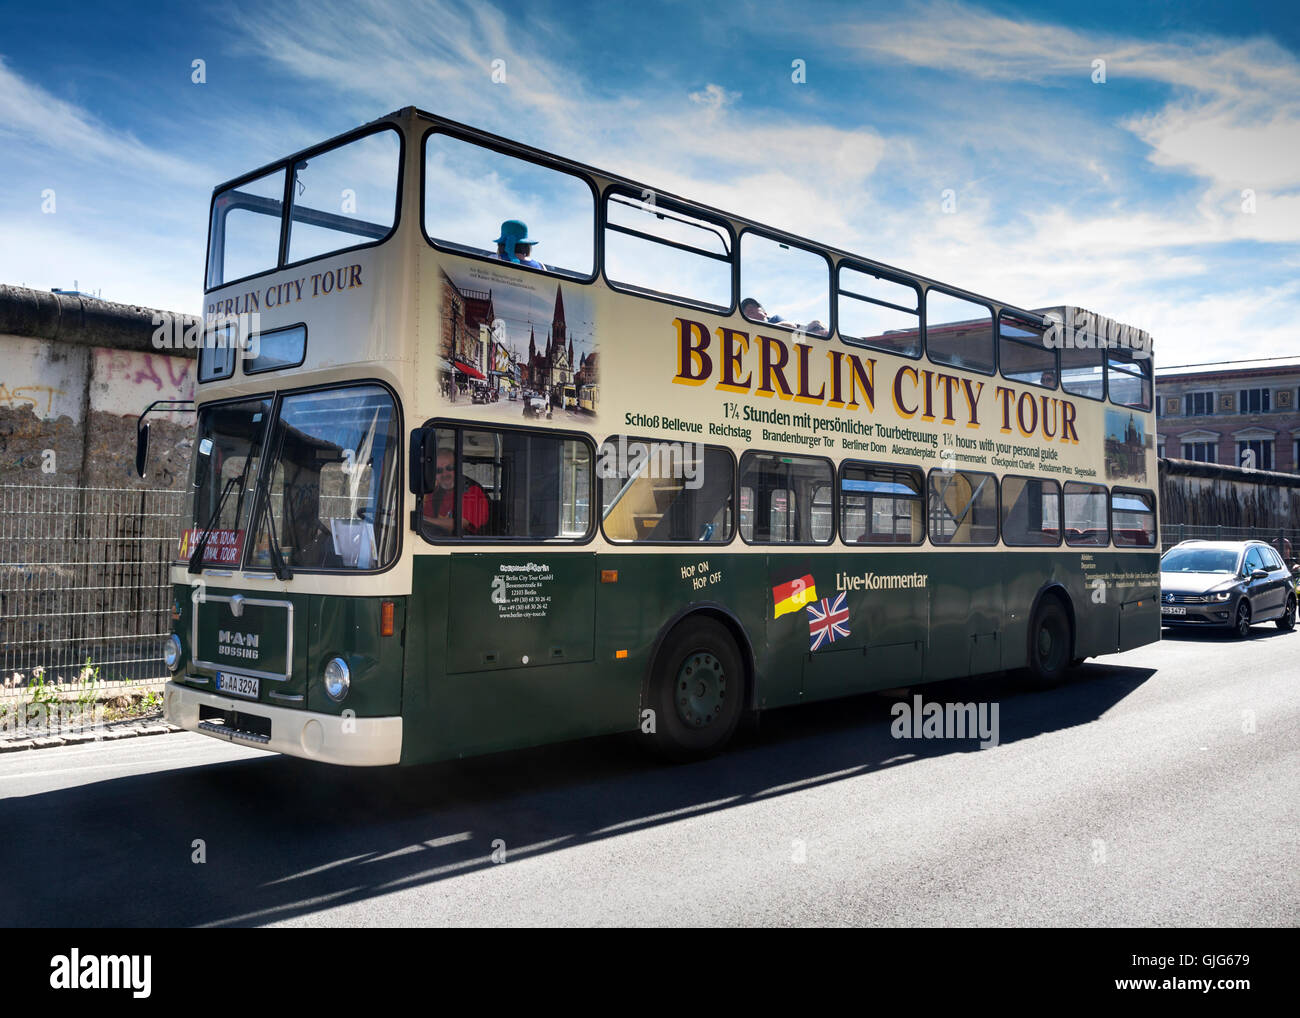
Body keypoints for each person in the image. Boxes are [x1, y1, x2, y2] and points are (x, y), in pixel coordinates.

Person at [423, 449, 490, 535]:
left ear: (458, 467)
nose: (445, 474)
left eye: (449, 468)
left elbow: (459, 524)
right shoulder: (435, 492)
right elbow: (426, 519)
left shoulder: (472, 491)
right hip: (440, 543)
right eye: (438, 471)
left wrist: (423, 520)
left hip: (469, 546)